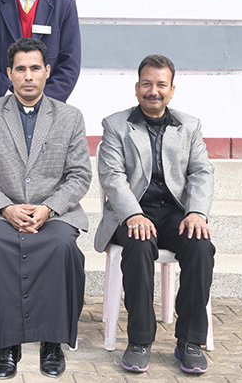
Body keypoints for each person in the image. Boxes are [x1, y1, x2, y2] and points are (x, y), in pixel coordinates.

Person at [0, 37, 91, 379]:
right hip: (0, 211)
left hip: (54, 213)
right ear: (9, 74)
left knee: (62, 247)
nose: (28, 76)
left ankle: (52, 342)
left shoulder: (69, 116)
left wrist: (49, 208)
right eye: (20, 69)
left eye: (35, 68)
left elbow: (80, 175)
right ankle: (7, 344)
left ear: (47, 71)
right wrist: (6, 208)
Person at [95, 54, 215, 374]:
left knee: (201, 246)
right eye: (147, 84)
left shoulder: (189, 126)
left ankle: (189, 341)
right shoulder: (115, 125)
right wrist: (133, 215)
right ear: (137, 87)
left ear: (172, 90)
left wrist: (196, 213)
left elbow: (201, 172)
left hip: (175, 214)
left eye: (161, 85)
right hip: (131, 213)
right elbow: (112, 177)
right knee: (138, 244)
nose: (153, 91)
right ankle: (140, 340)